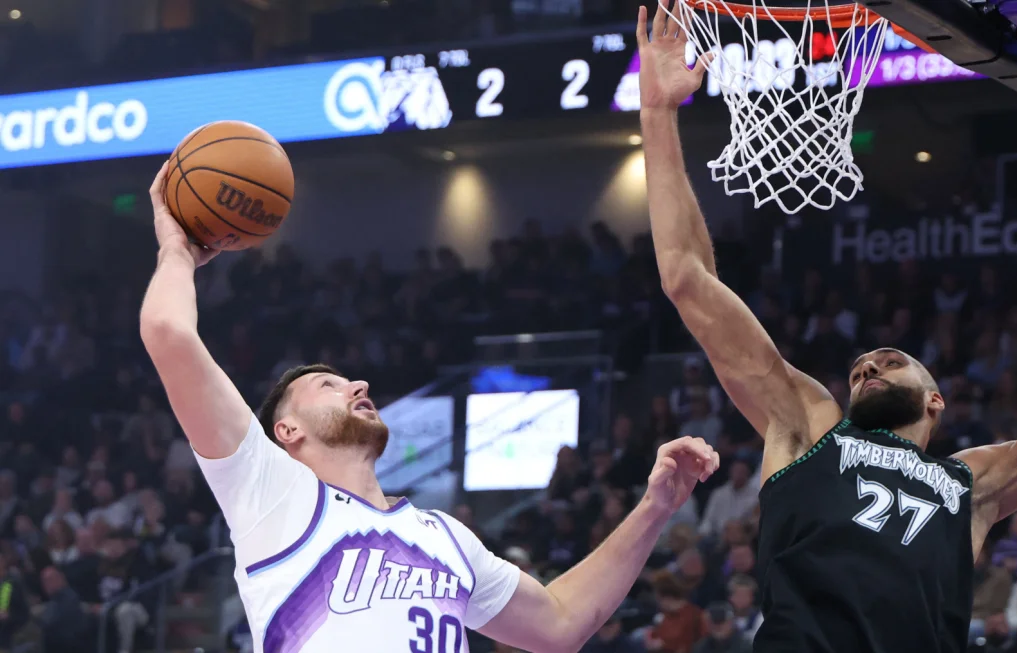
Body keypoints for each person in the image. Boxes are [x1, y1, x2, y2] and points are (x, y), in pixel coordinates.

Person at [636, 2, 1017, 651]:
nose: (867, 366)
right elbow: (687, 279)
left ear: (936, 398)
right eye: (861, 367)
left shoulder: (971, 484)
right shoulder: (806, 425)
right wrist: (657, 114)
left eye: (886, 359)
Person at [138, 162, 720, 653]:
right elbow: (168, 330)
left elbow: (562, 622)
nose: (357, 384)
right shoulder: (270, 493)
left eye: (350, 379)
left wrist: (655, 507)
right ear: (285, 430)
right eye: (328, 386)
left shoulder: (445, 536)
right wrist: (177, 250)